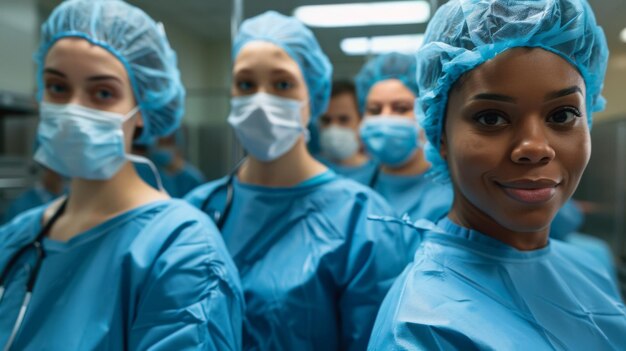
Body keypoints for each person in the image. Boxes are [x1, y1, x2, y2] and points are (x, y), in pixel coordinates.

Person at [368, 0, 626, 349]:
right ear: (440, 137)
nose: (535, 148)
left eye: (563, 115)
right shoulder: (423, 329)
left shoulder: (588, 266)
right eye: (491, 118)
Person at [0, 1, 243, 350]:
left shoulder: (181, 251)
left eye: (102, 93)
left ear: (142, 109)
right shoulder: (16, 239)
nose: (73, 109)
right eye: (57, 87)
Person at [185, 11, 407, 351]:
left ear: (312, 96)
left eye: (282, 84)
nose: (261, 100)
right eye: (246, 84)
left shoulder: (364, 220)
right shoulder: (197, 210)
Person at [356, 52, 452, 222]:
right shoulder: (354, 189)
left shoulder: (452, 195)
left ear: (428, 113)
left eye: (400, 108)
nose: (385, 117)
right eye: (374, 110)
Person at [317, 81, 377, 185]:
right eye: (326, 120)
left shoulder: (378, 174)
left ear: (361, 120)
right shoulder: (306, 172)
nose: (333, 128)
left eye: (343, 119)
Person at [134, 129, 206, 198]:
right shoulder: (141, 172)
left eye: (168, 143)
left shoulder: (191, 178)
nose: (164, 150)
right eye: (161, 143)